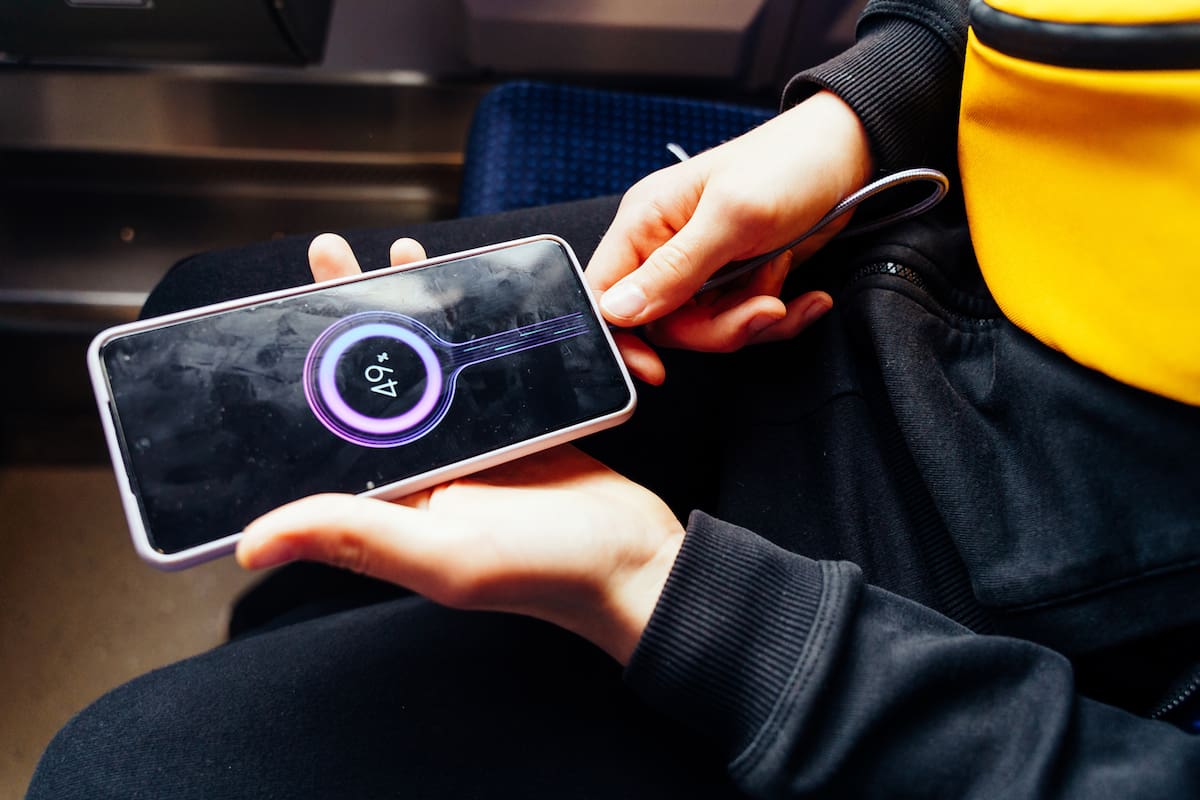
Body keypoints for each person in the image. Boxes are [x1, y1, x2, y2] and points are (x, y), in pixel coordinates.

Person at [28, 0, 1200, 796]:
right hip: (893, 273)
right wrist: (853, 117)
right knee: (210, 302)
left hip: (977, 616)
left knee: (116, 769)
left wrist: (664, 590)